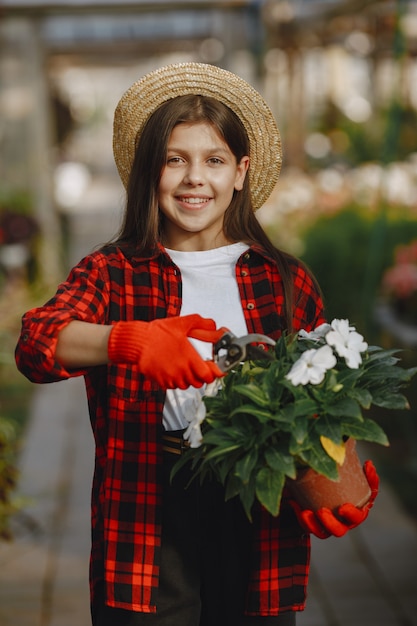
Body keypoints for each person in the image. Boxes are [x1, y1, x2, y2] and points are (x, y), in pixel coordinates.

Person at [15, 62, 379, 626]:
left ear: (240, 171)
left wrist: (338, 478)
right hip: (149, 510)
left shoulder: (283, 279)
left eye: (213, 160)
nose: (194, 179)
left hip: (259, 506)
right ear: (149, 172)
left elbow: (321, 394)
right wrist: (130, 341)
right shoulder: (113, 272)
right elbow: (37, 343)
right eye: (174, 159)